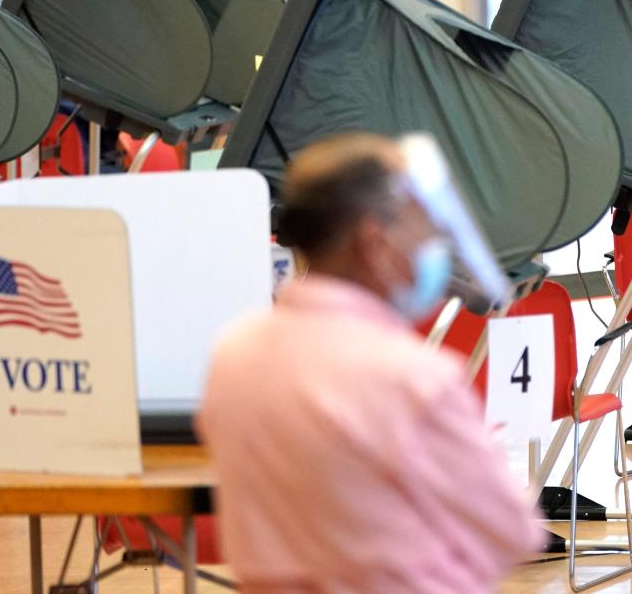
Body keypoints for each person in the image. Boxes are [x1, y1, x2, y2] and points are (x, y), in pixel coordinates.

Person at [197, 132, 543, 592]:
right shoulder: (412, 378)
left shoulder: (233, 354)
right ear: (372, 241)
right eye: (423, 228)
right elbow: (512, 531)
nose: (432, 246)